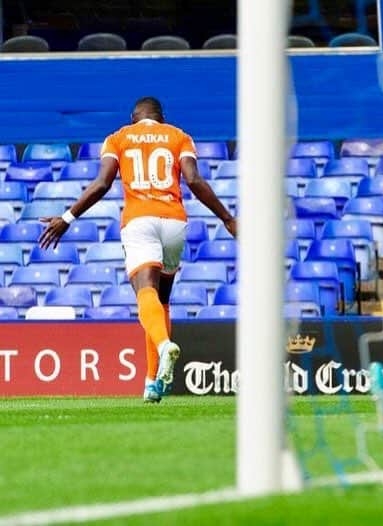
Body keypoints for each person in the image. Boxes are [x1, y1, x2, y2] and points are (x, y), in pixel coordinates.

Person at [39, 96, 237, 403]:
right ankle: (152, 382)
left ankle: (163, 346)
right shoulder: (178, 136)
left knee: (146, 291)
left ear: (134, 116)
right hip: (174, 222)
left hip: (139, 220)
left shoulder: (119, 137)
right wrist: (227, 218)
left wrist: (67, 217)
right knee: (162, 299)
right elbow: (194, 179)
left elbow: (103, 183)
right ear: (161, 117)